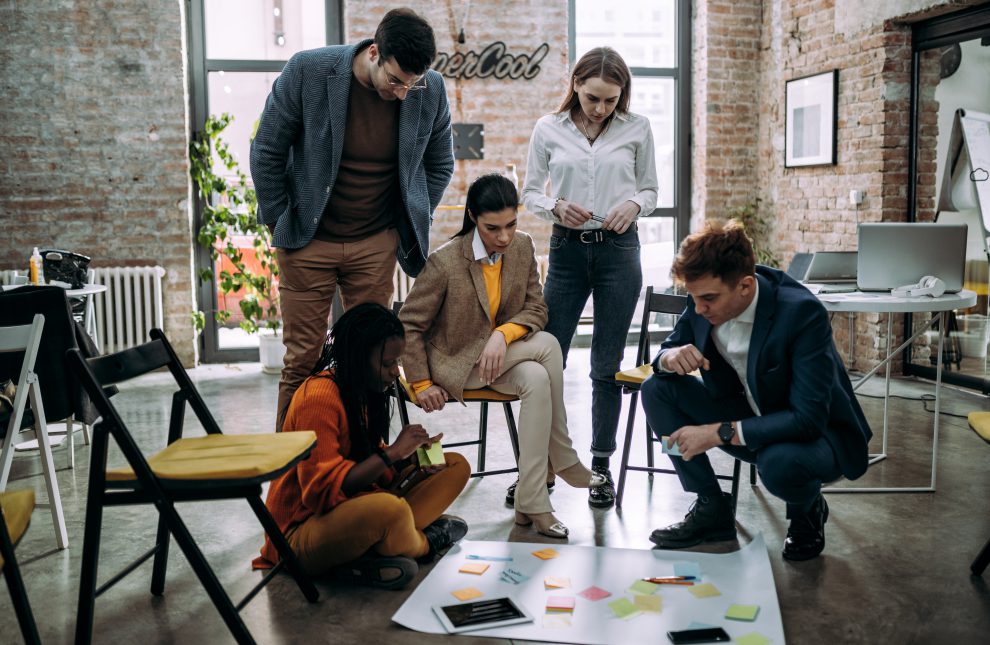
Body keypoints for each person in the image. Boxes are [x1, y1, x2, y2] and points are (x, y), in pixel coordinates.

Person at [250, 8, 454, 432]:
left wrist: (407, 220)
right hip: (309, 240)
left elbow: (440, 164)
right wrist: (279, 221)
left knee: (371, 360)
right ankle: (292, 481)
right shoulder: (309, 70)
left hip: (374, 243)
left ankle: (366, 467)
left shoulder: (428, 90)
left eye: (411, 85)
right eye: (395, 80)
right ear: (375, 52)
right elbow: (266, 149)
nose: (403, 93)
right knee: (302, 360)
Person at [641, 220, 872, 561]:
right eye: (693, 298)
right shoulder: (703, 299)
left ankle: (807, 510)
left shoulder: (802, 314)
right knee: (655, 390)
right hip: (747, 414)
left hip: (818, 438)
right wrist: (669, 356)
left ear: (746, 287)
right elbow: (669, 348)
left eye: (708, 299)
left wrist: (718, 432)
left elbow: (808, 419)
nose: (699, 308)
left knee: (779, 465)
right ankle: (711, 506)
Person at [398, 174, 605, 539]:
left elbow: (536, 309)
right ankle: (565, 458)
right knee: (551, 346)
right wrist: (421, 381)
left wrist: (502, 335)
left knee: (537, 378)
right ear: (474, 218)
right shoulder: (446, 262)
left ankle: (532, 504)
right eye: (493, 228)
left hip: (501, 358)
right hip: (456, 364)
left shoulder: (522, 248)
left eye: (512, 224)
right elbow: (409, 325)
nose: (505, 237)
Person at [521, 47, 658, 509]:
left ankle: (600, 468)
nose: (601, 109)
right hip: (566, 251)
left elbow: (650, 187)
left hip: (621, 252)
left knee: (606, 363)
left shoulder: (637, 127)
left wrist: (635, 204)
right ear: (576, 83)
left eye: (611, 100)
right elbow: (530, 193)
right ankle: (542, 470)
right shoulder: (547, 128)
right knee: (547, 361)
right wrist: (556, 206)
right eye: (594, 98)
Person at [253, 303, 470, 589]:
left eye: (397, 363)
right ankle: (423, 544)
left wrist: (412, 461)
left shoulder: (359, 390)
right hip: (300, 533)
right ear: (357, 358)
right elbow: (321, 495)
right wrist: (392, 453)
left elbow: (371, 466)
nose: (395, 372)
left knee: (455, 465)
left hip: (354, 509)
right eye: (386, 364)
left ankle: (383, 545)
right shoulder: (318, 398)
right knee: (388, 510)